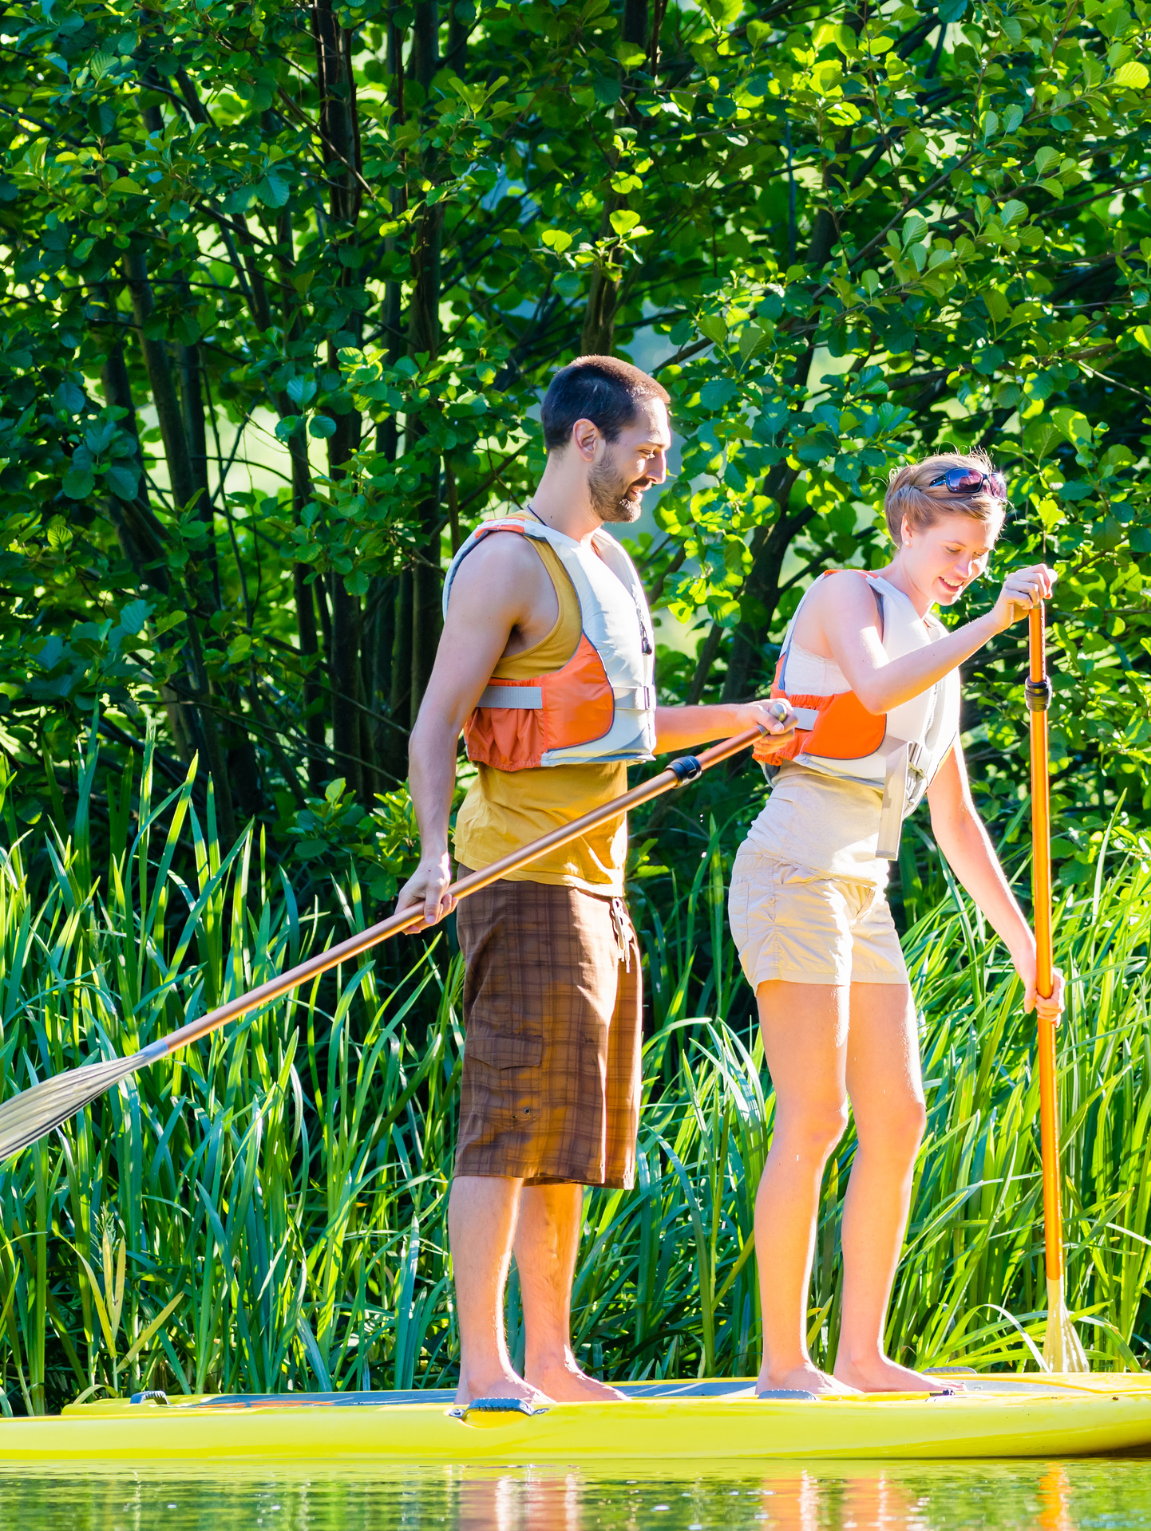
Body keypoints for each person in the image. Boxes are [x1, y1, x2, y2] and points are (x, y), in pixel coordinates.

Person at [398, 354, 793, 1409]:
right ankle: (485, 1369)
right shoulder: (505, 564)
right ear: (586, 439)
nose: (654, 473)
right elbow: (437, 724)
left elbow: (623, 730)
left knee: (567, 1134)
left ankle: (553, 1361)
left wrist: (745, 717)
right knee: (505, 1123)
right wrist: (433, 856)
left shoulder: (611, 565)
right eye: (646, 453)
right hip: (516, 876)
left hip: (595, 885)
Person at [728, 449, 1063, 1396]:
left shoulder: (941, 656)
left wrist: (1023, 942)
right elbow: (872, 691)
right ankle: (783, 1364)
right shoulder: (847, 597)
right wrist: (996, 619)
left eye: (981, 553)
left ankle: (861, 1356)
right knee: (817, 1112)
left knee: (899, 1113)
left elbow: (954, 821)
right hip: (792, 870)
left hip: (860, 890)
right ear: (909, 526)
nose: (967, 568)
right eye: (957, 547)